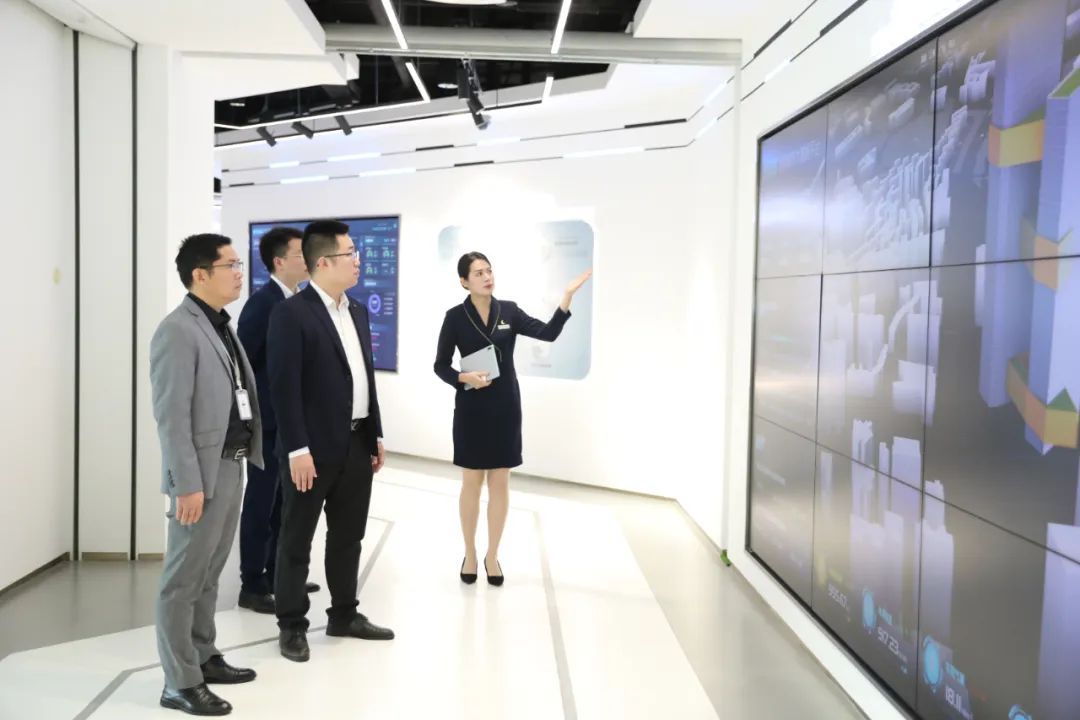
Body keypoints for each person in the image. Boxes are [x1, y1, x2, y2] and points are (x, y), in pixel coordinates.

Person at [267, 220, 394, 663]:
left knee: (348, 536)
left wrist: (375, 432)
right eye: (350, 253)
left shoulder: (355, 310)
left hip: (356, 443)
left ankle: (344, 614)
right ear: (323, 263)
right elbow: (283, 389)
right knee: (296, 539)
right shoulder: (291, 314)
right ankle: (291, 625)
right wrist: (297, 449)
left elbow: (364, 378)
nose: (358, 261)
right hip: (311, 452)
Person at [150, 233, 262, 716]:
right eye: (230, 265)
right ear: (200, 274)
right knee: (182, 580)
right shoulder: (178, 330)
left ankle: (203, 654)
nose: (239, 273)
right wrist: (186, 484)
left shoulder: (220, 325)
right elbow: (171, 416)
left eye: (239, 264)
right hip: (200, 474)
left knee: (210, 573)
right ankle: (179, 681)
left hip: (232, 464)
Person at [434, 252, 591, 586]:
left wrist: (566, 297)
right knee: (471, 482)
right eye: (478, 273)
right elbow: (440, 365)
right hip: (472, 409)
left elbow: (548, 333)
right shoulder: (455, 317)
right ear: (464, 281)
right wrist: (464, 378)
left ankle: (492, 555)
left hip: (505, 407)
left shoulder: (510, 311)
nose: (487, 277)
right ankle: (470, 553)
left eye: (489, 271)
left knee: (500, 482)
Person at [235, 226, 319, 614]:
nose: (309, 260)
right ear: (279, 261)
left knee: (286, 502)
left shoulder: (299, 301)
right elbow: (244, 366)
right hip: (267, 424)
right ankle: (252, 583)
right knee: (261, 502)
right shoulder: (262, 304)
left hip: (292, 425)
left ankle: (277, 573)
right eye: (301, 254)